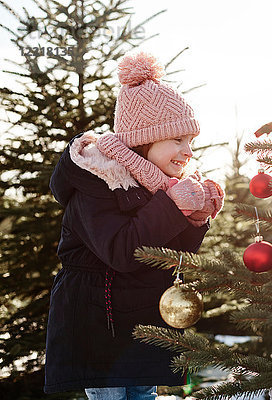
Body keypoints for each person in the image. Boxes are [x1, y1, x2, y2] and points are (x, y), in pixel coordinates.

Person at [44, 52, 225, 400]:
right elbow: (122, 252)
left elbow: (167, 257)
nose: (188, 151)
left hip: (141, 323)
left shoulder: (158, 184)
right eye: (177, 140)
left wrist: (195, 219)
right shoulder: (97, 181)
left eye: (191, 141)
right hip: (100, 324)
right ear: (145, 139)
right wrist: (174, 206)